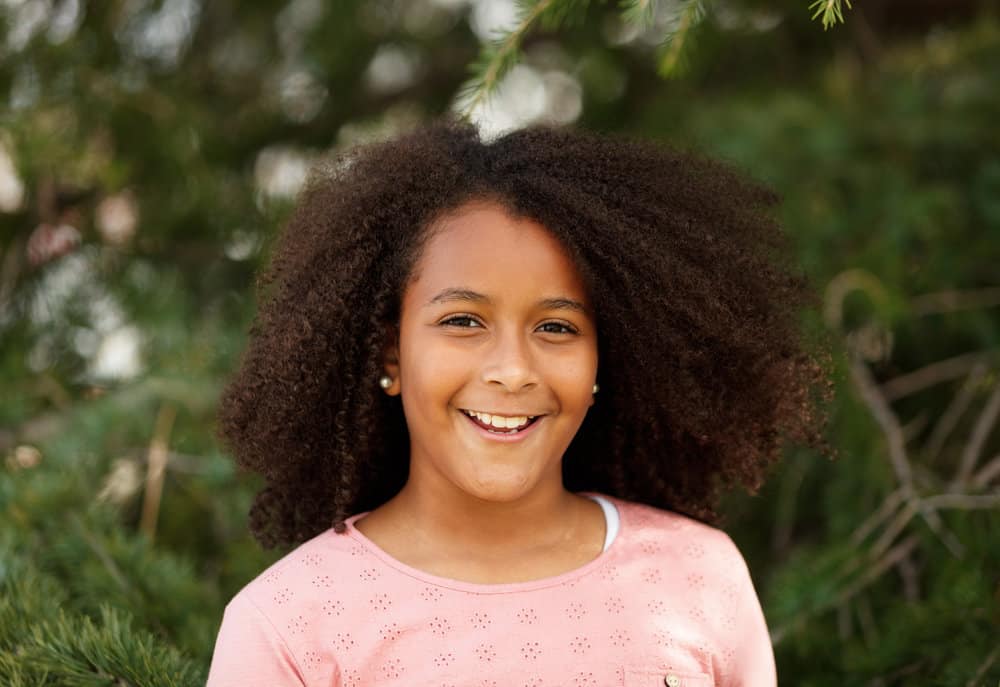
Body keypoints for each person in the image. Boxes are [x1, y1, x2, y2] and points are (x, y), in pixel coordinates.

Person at [205, 116, 831, 686]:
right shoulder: (288, 625)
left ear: (603, 361)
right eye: (462, 321)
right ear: (390, 354)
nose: (511, 370)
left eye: (556, 328)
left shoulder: (700, 578)